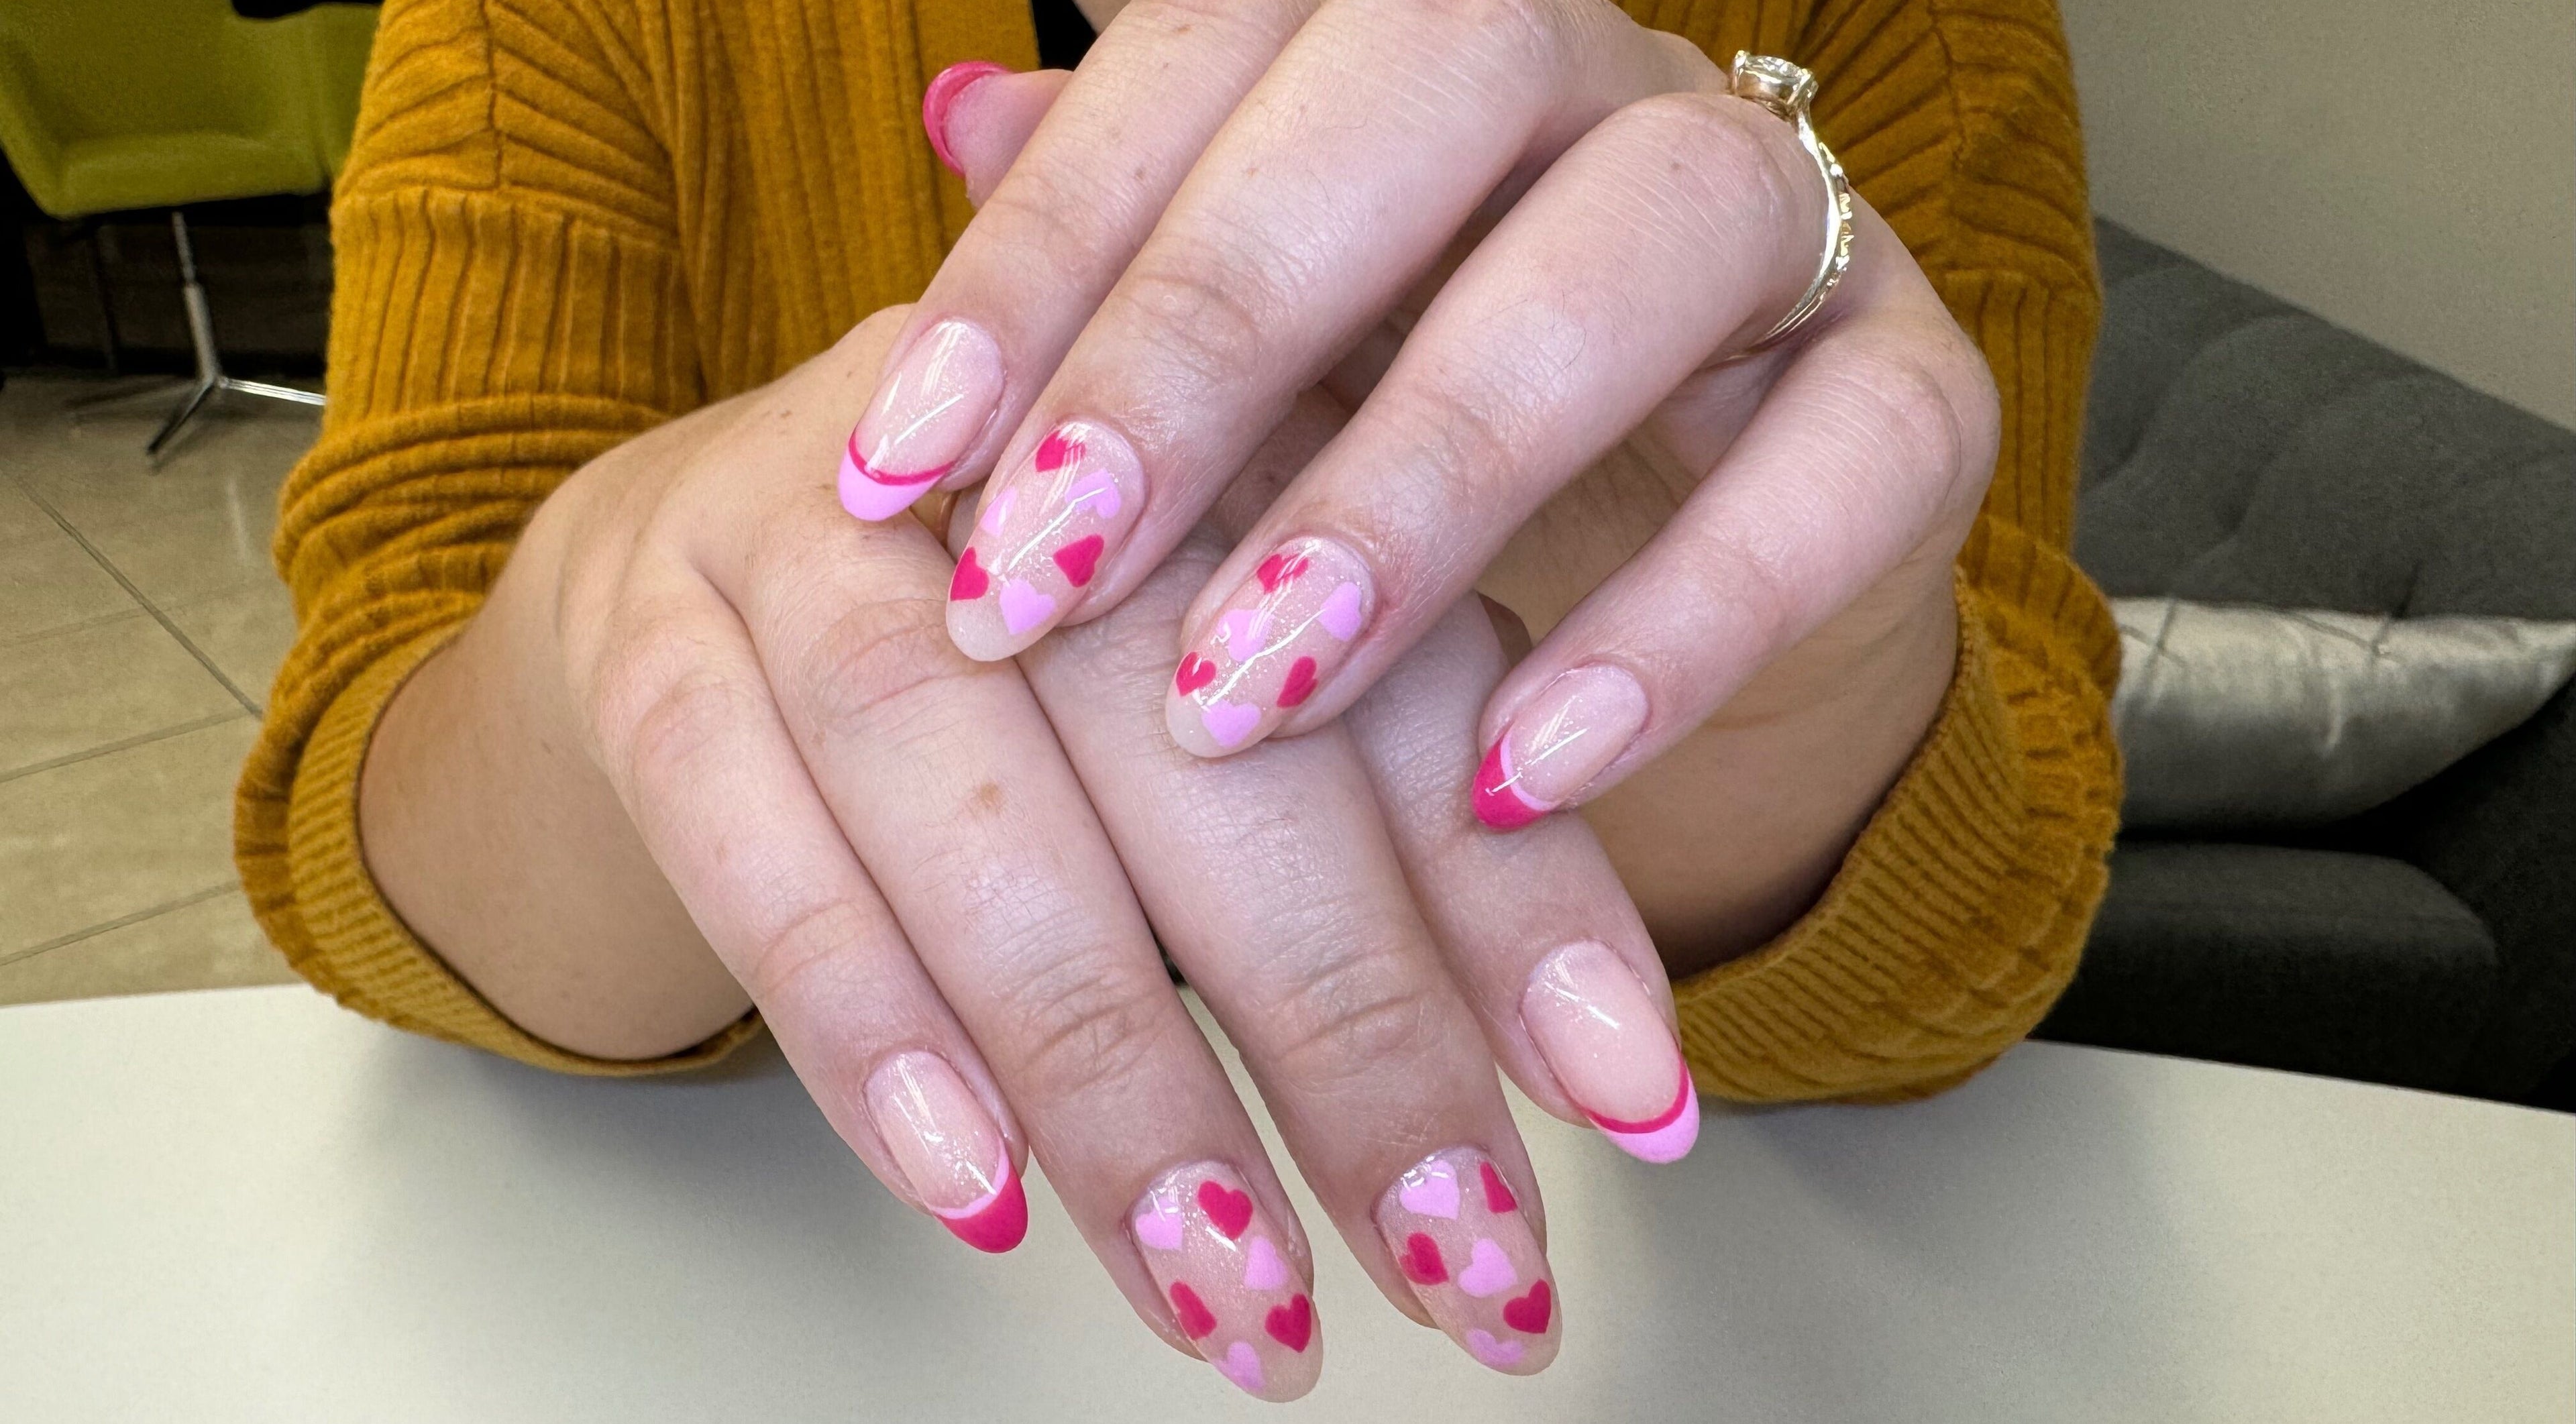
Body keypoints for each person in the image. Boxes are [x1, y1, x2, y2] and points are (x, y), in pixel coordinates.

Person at [237, 0, 2118, 1401]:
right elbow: (369, 832)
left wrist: (1759, 689)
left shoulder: (1896, 33)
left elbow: (1969, 957)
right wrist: (612, 627)